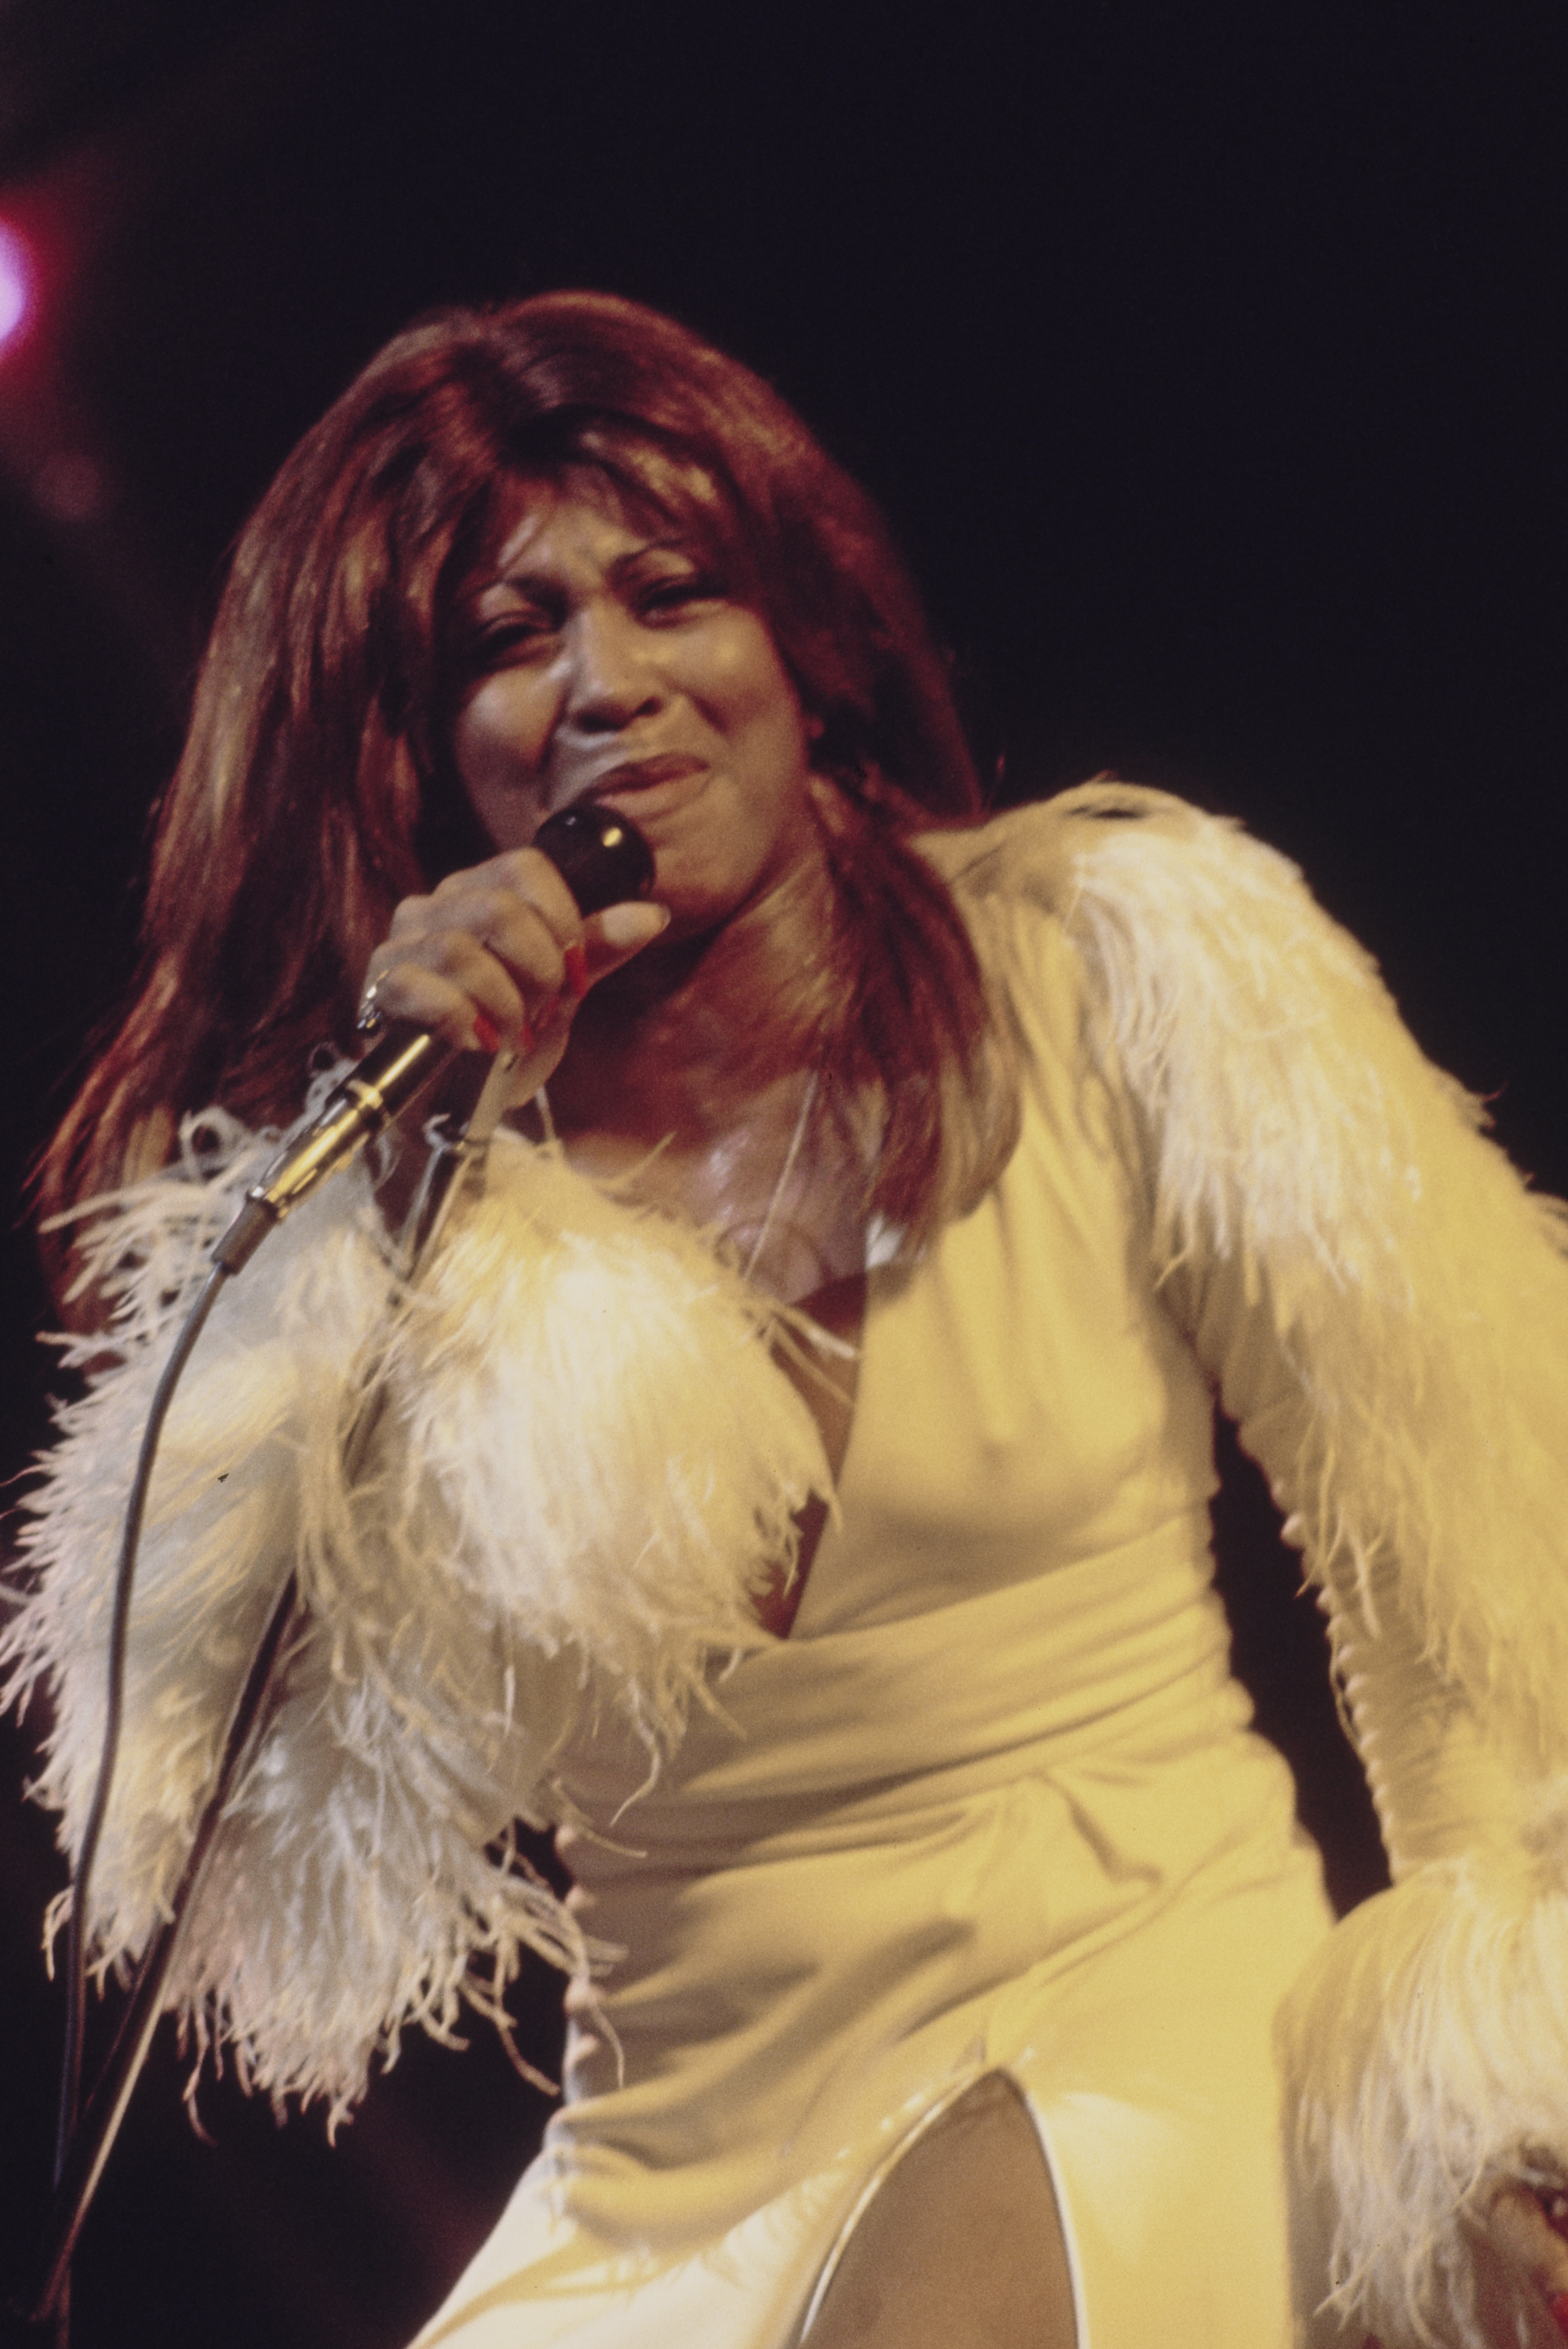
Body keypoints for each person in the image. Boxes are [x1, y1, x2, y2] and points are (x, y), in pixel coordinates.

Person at [8, 290, 1568, 2349]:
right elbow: (214, 1815)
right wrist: (379, 1204)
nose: (609, 684)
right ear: (411, 749)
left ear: (796, 641)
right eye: (510, 635)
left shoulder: (1123, 968)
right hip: (674, 2157)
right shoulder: (440, 1196)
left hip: (1136, 1988)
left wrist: (1503, 2077)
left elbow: (1475, 1540)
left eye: (674, 594)